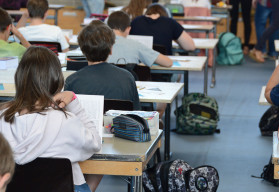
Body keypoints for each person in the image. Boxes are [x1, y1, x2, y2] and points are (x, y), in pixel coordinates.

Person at [0, 46, 101, 192]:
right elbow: (95, 143)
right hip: (62, 187)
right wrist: (73, 103)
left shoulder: (2, 118)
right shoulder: (65, 121)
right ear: (56, 79)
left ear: (20, 78)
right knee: (96, 172)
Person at [65, 20, 141, 111]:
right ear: (111, 50)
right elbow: (136, 113)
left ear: (82, 50)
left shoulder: (72, 81)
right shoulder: (127, 78)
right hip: (119, 125)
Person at [106, 11, 172, 67]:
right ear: (128, 29)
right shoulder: (135, 45)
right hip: (129, 81)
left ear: (107, 27)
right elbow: (168, 63)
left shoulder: (99, 44)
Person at [130, 3, 195, 55]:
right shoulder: (170, 22)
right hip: (164, 68)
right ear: (165, 14)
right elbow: (190, 47)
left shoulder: (135, 21)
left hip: (139, 68)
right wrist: (175, 37)